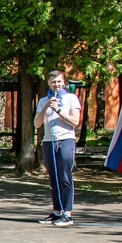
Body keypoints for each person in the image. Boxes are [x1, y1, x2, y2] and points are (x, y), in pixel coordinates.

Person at [34, 69, 81, 226]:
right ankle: (57, 211)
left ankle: (67, 213)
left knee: (64, 176)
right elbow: (37, 123)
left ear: (64, 82)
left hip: (65, 139)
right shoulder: (43, 101)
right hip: (49, 141)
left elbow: (75, 121)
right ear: (49, 83)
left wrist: (59, 110)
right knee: (53, 177)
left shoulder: (71, 98)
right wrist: (47, 105)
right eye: (53, 82)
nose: (56, 85)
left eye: (59, 82)